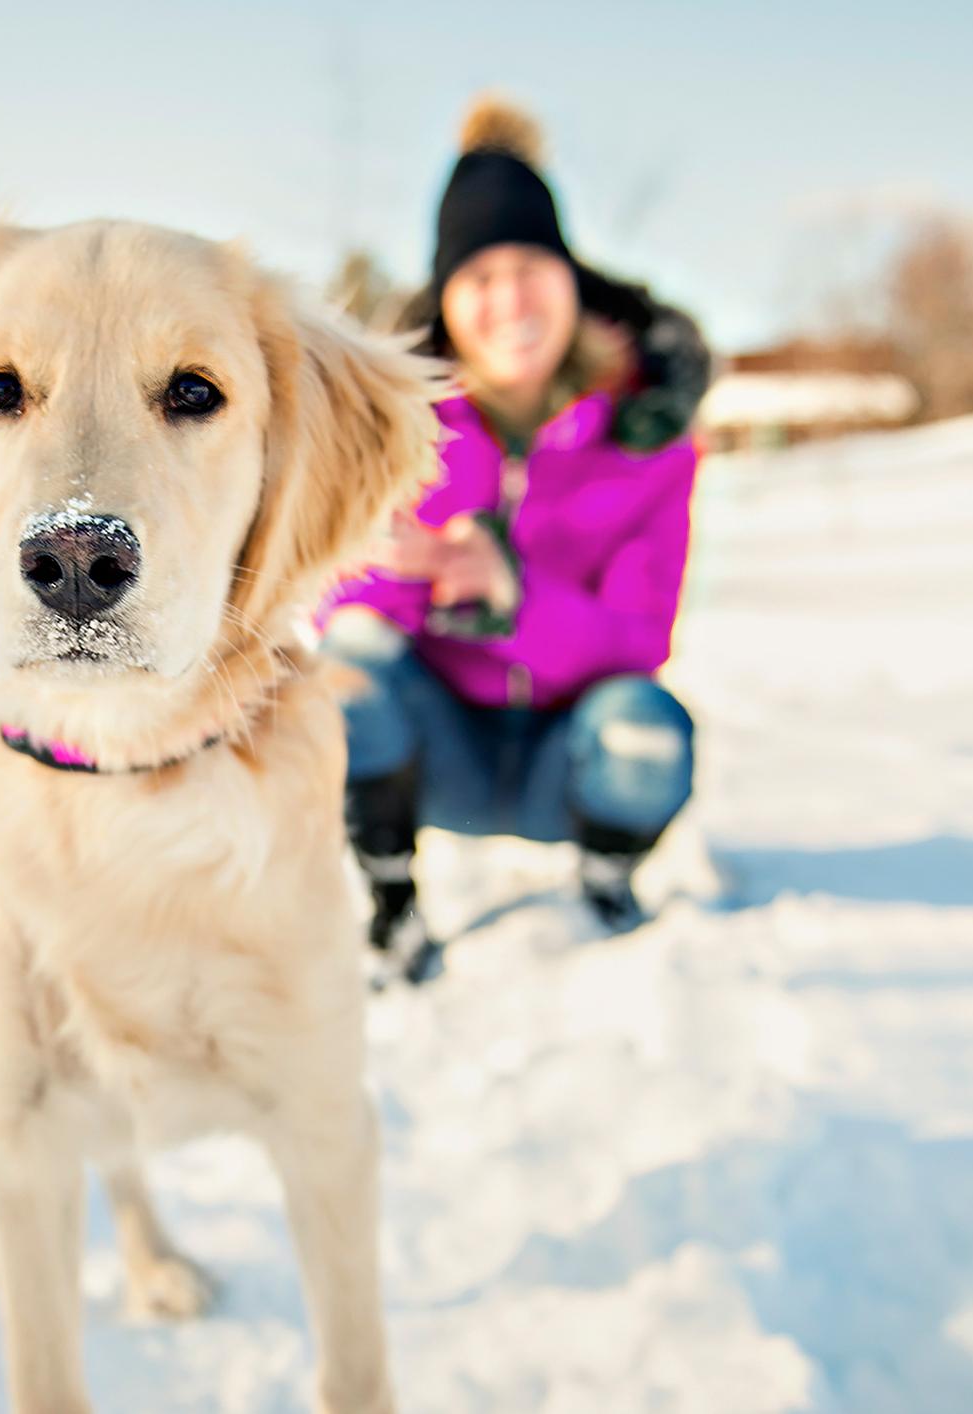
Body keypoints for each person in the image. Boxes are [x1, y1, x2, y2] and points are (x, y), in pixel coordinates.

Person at [323, 93, 712, 986]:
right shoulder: (401, 427)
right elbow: (340, 611)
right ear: (446, 301)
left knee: (647, 726)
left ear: (571, 278)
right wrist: (410, 571)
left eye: (530, 266)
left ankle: (606, 876)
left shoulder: (646, 437)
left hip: (565, 762)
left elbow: (640, 637)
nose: (508, 301)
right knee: (339, 671)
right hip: (435, 754)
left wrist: (513, 593)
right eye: (478, 277)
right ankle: (390, 907)